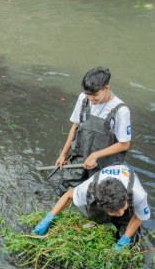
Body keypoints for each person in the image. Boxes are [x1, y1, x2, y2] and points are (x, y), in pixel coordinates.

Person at [32, 163, 150, 251]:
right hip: (103, 179)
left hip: (125, 175)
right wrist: (48, 218)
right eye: (115, 212)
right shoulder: (87, 189)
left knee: (131, 240)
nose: (120, 213)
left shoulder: (138, 194)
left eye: (123, 208)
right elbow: (68, 195)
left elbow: (139, 216)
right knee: (90, 216)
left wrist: (124, 240)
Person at [54, 67, 131, 197]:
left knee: (99, 197)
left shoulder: (120, 111)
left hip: (104, 163)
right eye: (88, 95)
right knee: (64, 191)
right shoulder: (83, 98)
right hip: (81, 156)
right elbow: (75, 126)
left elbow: (124, 144)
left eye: (95, 95)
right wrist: (63, 154)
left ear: (106, 88)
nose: (91, 99)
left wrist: (95, 155)